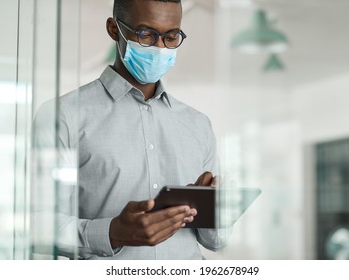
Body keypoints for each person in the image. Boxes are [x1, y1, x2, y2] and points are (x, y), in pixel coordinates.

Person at [34, 0, 229, 260]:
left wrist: (209, 208)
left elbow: (215, 241)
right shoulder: (64, 115)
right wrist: (112, 232)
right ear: (114, 29)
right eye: (146, 34)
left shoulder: (198, 125)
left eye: (171, 37)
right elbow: (37, 224)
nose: (160, 47)